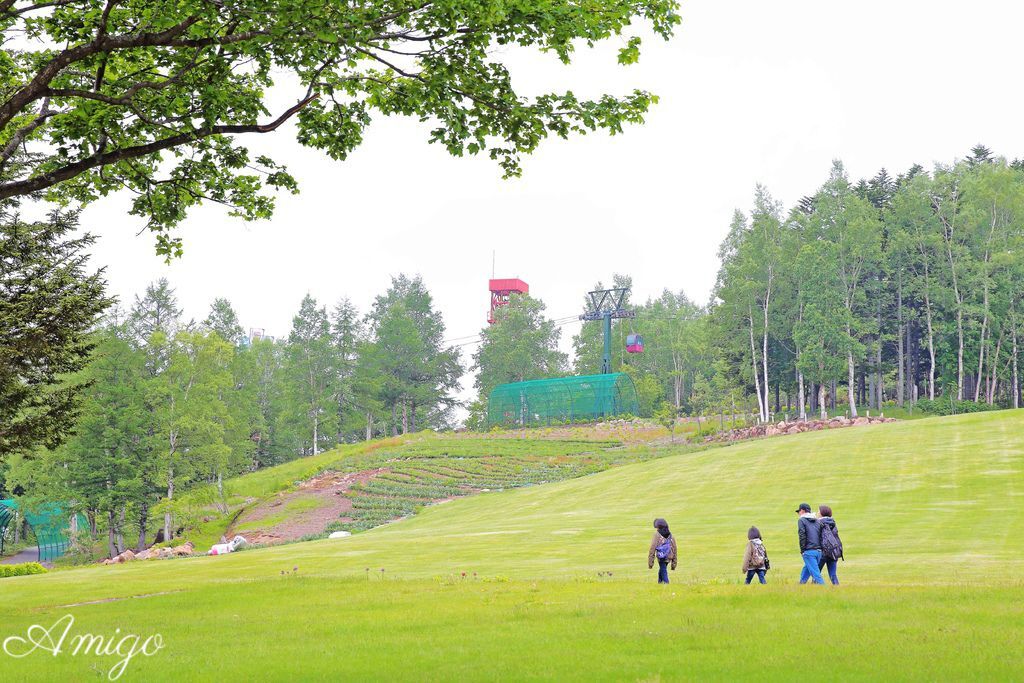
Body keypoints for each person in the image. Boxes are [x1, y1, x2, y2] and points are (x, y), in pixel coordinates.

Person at [795, 503, 825, 584]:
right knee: (807, 568)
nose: (799, 514)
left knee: (815, 573)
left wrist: (802, 550)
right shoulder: (817, 520)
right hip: (819, 551)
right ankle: (801, 584)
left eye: (799, 511)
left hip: (809, 550)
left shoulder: (802, 520)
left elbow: (802, 535)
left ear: (802, 511)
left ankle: (826, 589)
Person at [817, 504, 843, 585]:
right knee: (833, 574)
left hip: (823, 551)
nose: (817, 513)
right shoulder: (832, 522)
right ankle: (837, 589)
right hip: (834, 551)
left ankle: (813, 589)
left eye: (818, 511)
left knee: (817, 574)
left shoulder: (819, 523)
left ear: (822, 513)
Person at [648, 518, 677, 584]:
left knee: (663, 570)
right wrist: (674, 563)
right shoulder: (671, 535)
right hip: (669, 556)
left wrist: (650, 563)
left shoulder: (657, 535)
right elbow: (675, 549)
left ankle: (667, 583)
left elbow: (652, 548)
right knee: (662, 569)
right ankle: (659, 583)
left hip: (662, 556)